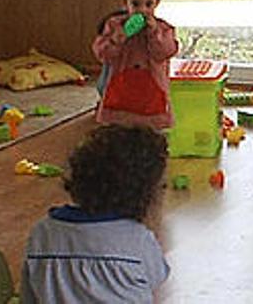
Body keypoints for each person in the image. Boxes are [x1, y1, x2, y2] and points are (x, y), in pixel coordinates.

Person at [20, 125, 170, 303]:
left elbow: (29, 293)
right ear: (142, 194)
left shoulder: (41, 232)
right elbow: (156, 277)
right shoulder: (137, 239)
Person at [92, 0, 179, 130]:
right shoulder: (114, 26)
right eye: (135, 4)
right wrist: (117, 39)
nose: (142, 10)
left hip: (151, 97)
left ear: (157, 2)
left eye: (148, 4)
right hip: (121, 97)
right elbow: (102, 54)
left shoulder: (163, 29)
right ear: (125, 2)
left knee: (152, 139)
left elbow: (165, 52)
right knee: (117, 136)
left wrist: (154, 33)